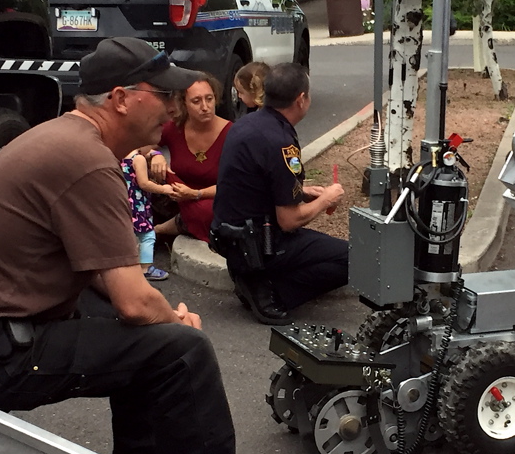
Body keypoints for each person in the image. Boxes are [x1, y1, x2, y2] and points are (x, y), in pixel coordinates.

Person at [0, 37, 238, 454]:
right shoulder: (87, 161)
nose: (174, 109)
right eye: (164, 95)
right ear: (120, 98)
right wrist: (174, 322)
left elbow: (106, 279)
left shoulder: (66, 138)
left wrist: (157, 316)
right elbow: (134, 300)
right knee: (182, 352)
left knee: (147, 332)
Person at [211, 62, 348, 325]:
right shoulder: (281, 141)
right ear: (301, 99)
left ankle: (253, 277)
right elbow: (289, 220)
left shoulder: (246, 124)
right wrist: (325, 199)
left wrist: (303, 191)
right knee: (350, 259)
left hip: (230, 236)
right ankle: (269, 292)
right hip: (260, 242)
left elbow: (254, 184)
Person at [152, 74, 232, 243]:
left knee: (213, 211)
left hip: (211, 198)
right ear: (184, 104)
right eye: (196, 101)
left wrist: (196, 194)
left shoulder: (232, 133)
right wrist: (155, 155)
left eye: (209, 99)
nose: (205, 107)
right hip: (177, 195)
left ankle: (162, 229)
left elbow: (235, 185)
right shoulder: (175, 128)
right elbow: (138, 146)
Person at [122, 145, 176, 280]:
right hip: (138, 204)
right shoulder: (138, 158)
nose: (153, 151)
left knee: (127, 234)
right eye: (152, 146)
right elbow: (144, 183)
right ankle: (145, 268)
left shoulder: (120, 155)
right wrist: (164, 189)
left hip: (123, 201)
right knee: (147, 234)